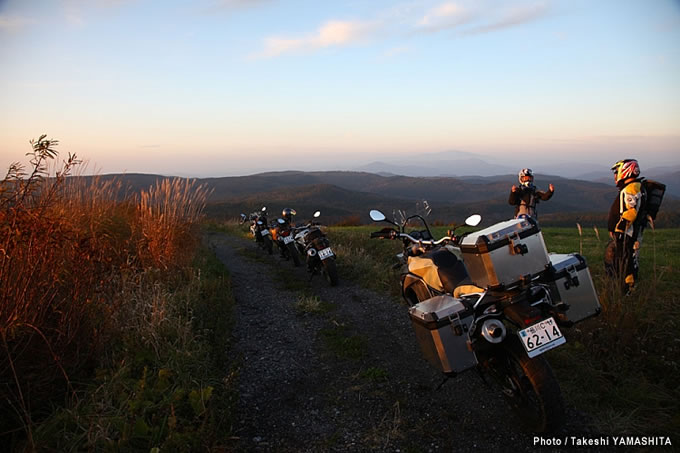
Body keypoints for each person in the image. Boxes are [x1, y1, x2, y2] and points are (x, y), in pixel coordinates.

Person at [606, 159, 646, 294]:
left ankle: (627, 289)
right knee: (621, 258)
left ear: (626, 170)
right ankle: (621, 285)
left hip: (628, 234)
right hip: (627, 233)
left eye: (617, 172)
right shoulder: (632, 186)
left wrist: (619, 230)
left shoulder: (632, 188)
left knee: (626, 260)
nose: (615, 175)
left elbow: (631, 211)